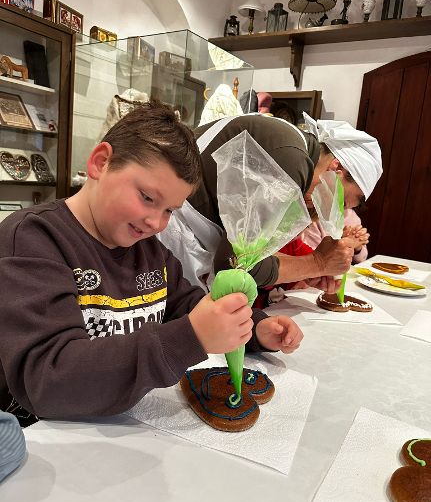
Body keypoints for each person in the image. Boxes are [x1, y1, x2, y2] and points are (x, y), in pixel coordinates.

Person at [0, 102, 304, 427]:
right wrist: (189, 338)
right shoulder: (32, 241)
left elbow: (188, 305)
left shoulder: (148, 250)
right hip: (36, 438)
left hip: (116, 432)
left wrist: (252, 328)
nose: (155, 222)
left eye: (170, 210)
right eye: (147, 197)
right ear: (101, 162)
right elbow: (48, 381)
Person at [159, 113, 382, 294]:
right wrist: (318, 263)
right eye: (339, 203)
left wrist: (306, 271)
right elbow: (236, 265)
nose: (329, 213)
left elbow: (252, 254)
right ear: (336, 168)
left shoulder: (291, 142)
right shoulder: (293, 161)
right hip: (169, 231)